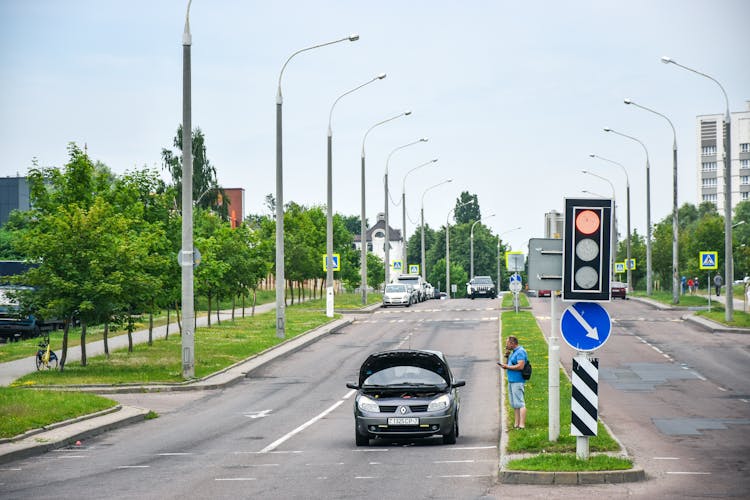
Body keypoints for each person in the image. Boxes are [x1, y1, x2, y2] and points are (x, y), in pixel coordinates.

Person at [498, 335, 528, 430]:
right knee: (515, 404)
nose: (506, 345)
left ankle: (522, 425)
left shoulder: (520, 352)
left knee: (520, 403)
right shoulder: (513, 352)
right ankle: (516, 424)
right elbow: (510, 363)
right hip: (512, 380)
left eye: (507, 343)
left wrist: (507, 367)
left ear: (512, 343)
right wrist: (507, 356)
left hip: (518, 380)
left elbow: (520, 366)